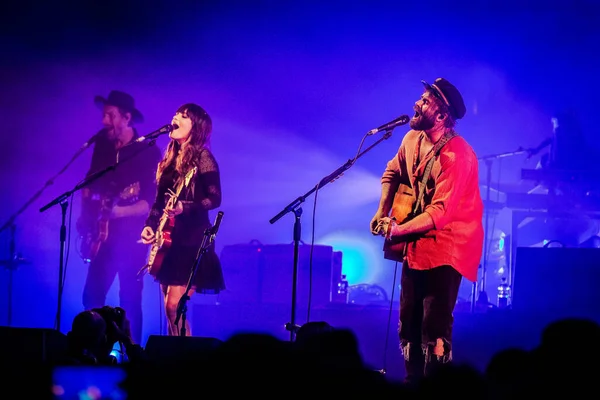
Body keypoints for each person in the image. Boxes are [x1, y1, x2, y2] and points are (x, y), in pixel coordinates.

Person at [370, 78, 483, 383]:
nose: (416, 105)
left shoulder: (458, 155)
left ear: (443, 116)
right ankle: (412, 382)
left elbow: (440, 214)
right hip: (415, 244)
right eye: (419, 98)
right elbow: (392, 171)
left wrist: (397, 230)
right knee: (408, 323)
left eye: (424, 101)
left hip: (449, 245)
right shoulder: (411, 139)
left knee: (434, 326)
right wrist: (382, 211)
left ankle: (436, 388)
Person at [78, 90, 162, 345]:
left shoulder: (147, 151)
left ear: (126, 117)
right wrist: (87, 214)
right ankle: (93, 348)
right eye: (104, 115)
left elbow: (149, 201)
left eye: (110, 115)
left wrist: (118, 212)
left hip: (131, 237)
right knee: (91, 296)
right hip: (100, 235)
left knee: (130, 298)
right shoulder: (102, 145)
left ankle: (132, 350)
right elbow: (89, 183)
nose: (104, 121)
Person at [141, 103, 225, 337]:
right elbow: (159, 202)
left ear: (196, 127)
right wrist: (149, 226)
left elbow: (214, 198)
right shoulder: (169, 157)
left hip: (192, 240)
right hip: (169, 241)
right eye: (176, 113)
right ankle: (176, 356)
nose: (176, 117)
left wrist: (184, 206)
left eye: (184, 116)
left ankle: (184, 362)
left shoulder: (203, 156)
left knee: (173, 306)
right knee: (171, 313)